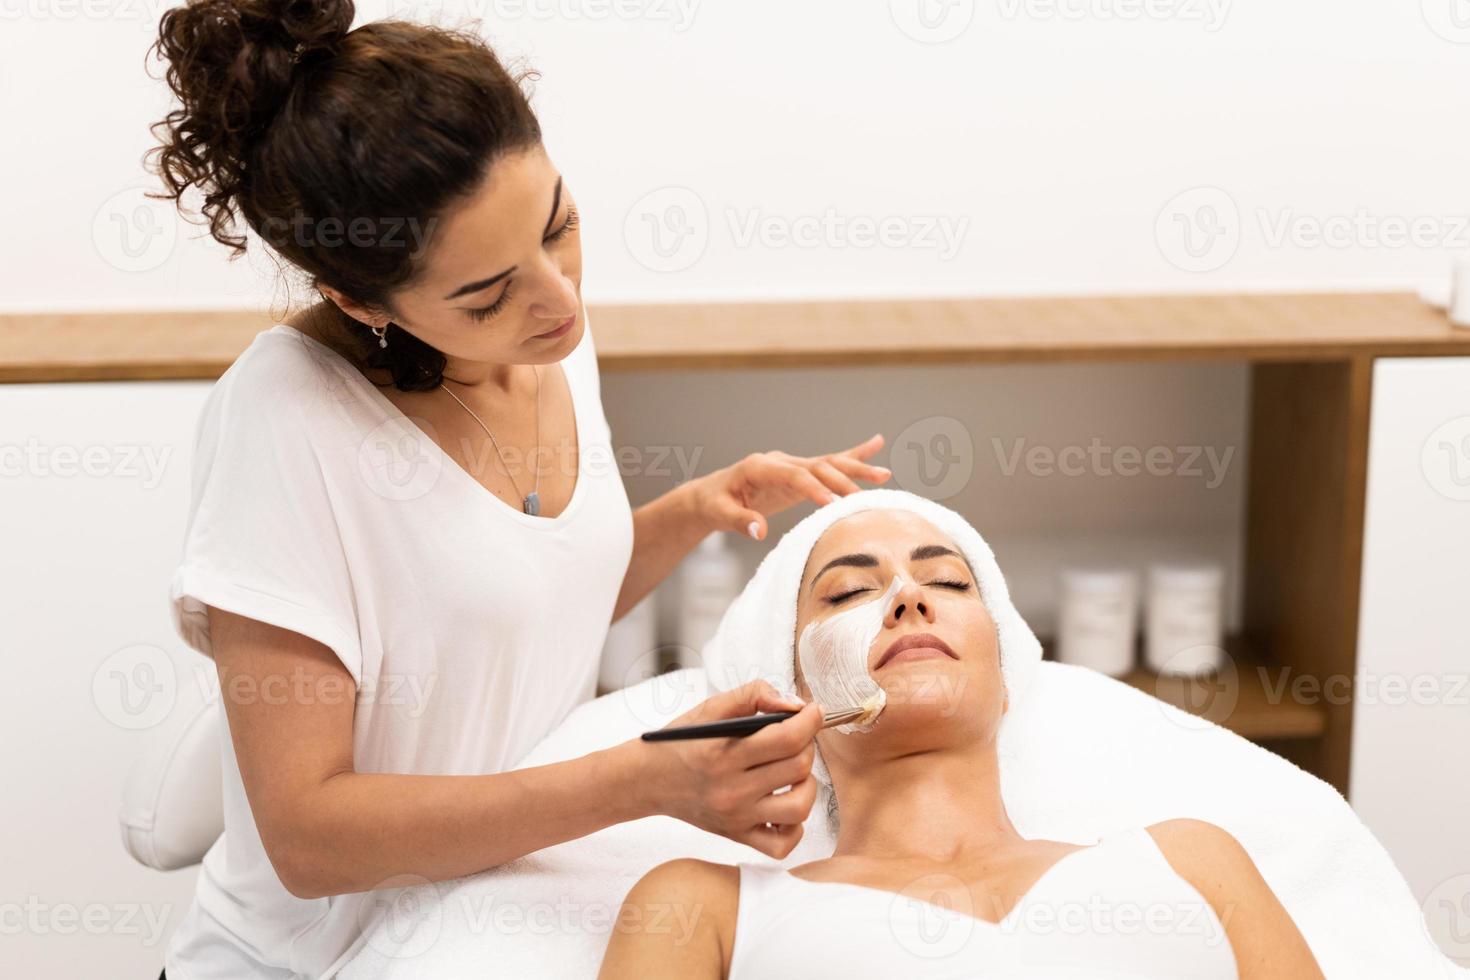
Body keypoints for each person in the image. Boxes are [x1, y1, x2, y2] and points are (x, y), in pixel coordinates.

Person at [148, 1, 888, 975]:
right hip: (300, 961)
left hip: (478, 926)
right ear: (361, 300)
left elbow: (512, 603)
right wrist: (645, 780)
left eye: (561, 224)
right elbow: (309, 836)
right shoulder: (285, 419)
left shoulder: (545, 339)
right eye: (487, 291)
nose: (559, 297)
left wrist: (698, 507)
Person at [600, 503, 1324, 979]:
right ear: (791, 698)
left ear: (1005, 681)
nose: (909, 599)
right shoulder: (703, 908)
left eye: (946, 581)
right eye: (850, 594)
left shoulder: (1192, 861)